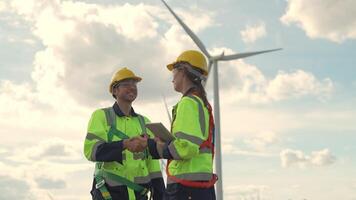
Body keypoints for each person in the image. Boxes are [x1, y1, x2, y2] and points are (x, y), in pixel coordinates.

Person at [84, 67, 165, 200]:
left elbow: (152, 163)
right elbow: (92, 151)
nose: (132, 87)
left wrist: (160, 193)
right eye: (126, 84)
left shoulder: (145, 122)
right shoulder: (101, 116)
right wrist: (124, 144)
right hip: (109, 193)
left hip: (140, 194)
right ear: (115, 90)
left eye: (134, 84)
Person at [146, 50, 218, 199]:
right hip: (199, 188)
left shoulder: (188, 103)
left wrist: (158, 146)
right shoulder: (201, 103)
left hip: (185, 188)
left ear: (183, 71)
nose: (172, 78)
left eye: (173, 71)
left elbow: (186, 148)